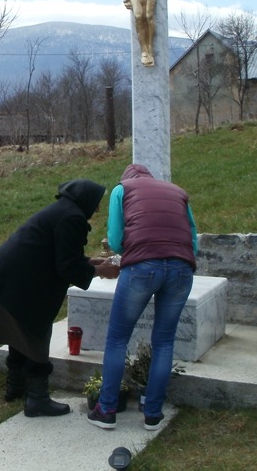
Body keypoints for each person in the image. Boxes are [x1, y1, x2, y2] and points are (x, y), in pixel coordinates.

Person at [0, 180, 120, 417]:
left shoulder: (63, 211)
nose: (97, 209)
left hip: (8, 277)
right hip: (21, 283)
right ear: (86, 200)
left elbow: (59, 254)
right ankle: (37, 400)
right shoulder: (72, 218)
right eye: (96, 204)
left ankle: (16, 388)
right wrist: (100, 271)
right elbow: (66, 267)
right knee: (34, 337)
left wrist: (88, 262)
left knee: (18, 336)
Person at [87, 163, 198, 432]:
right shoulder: (177, 191)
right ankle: (153, 413)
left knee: (117, 339)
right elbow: (193, 239)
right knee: (164, 341)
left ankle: (107, 409)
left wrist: (135, 248)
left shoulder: (121, 190)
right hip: (182, 268)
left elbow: (115, 240)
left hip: (141, 268)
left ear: (126, 177)